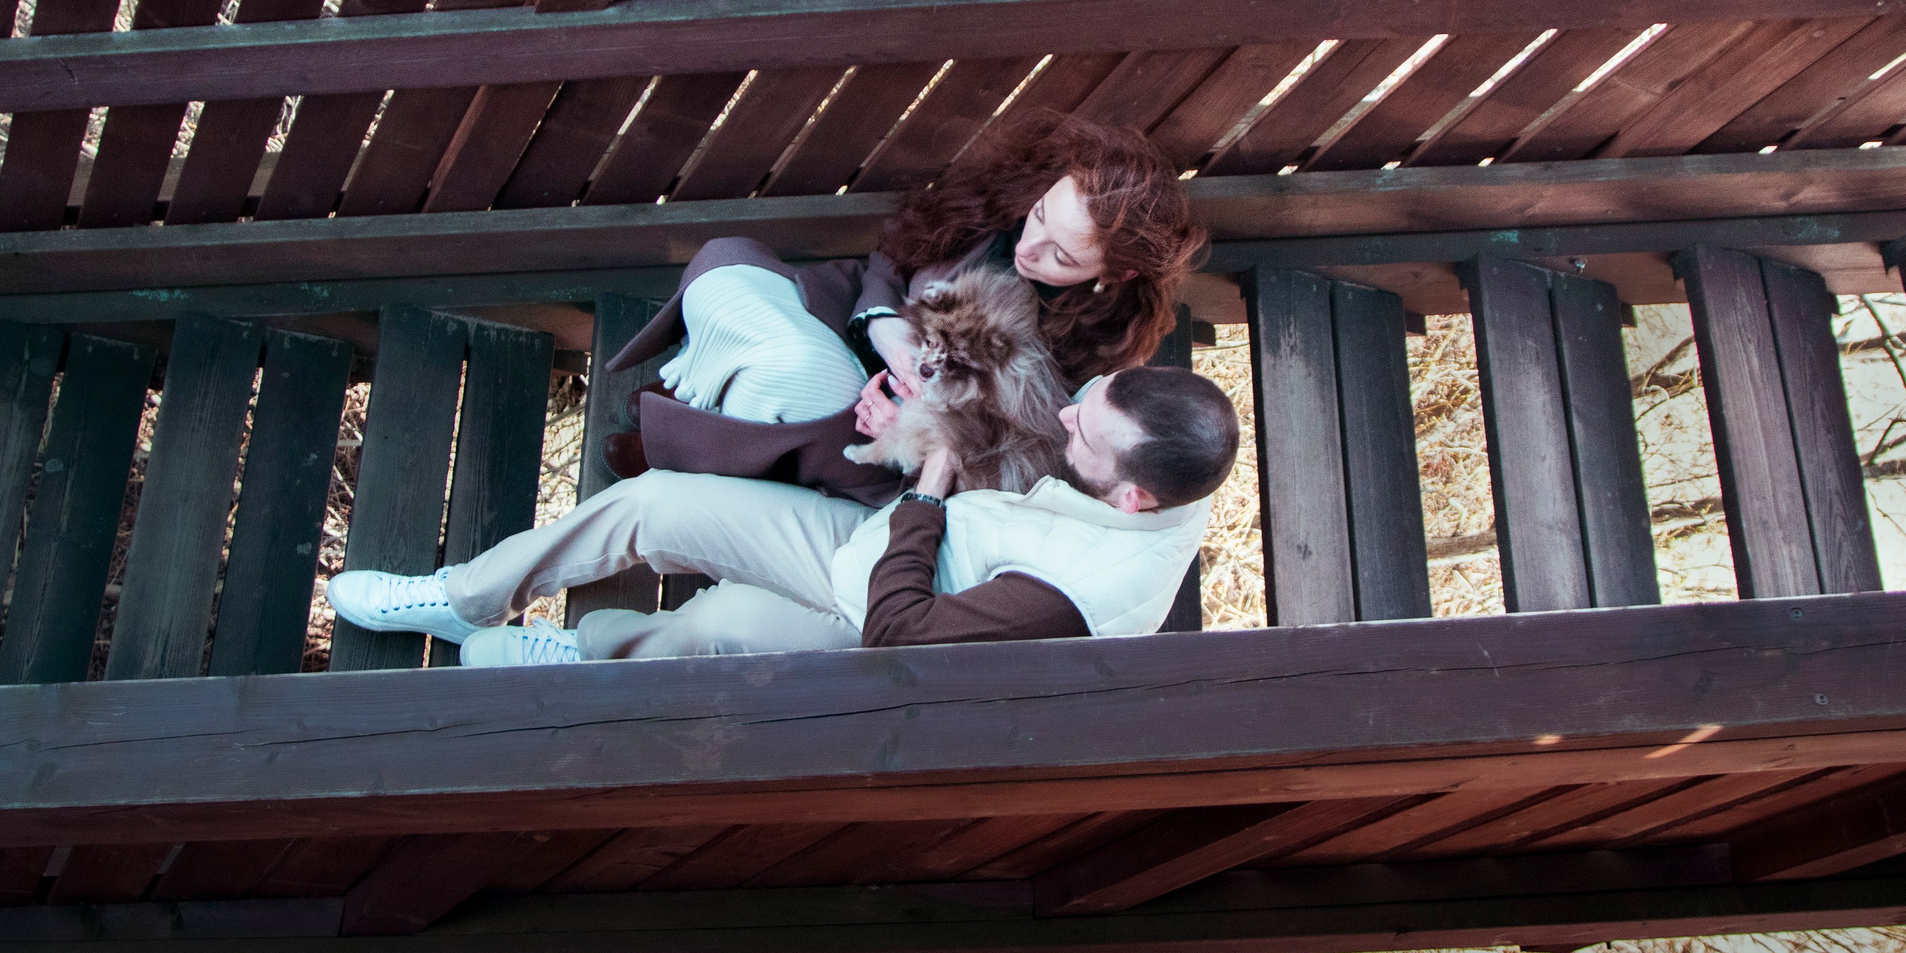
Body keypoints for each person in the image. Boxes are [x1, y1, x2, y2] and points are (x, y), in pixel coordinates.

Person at [324, 365, 1240, 662]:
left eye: (1087, 426)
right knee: (652, 502)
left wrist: (929, 486)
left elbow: (900, 629)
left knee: (714, 624)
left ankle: (578, 653)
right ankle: (467, 598)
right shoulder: (1160, 457)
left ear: (1134, 498)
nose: (1070, 414)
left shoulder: (1087, 596)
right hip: (888, 544)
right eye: (1090, 394)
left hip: (882, 618)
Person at [594, 115, 1205, 503]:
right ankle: (725, 392)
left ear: (1115, 273)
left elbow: (1027, 458)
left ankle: (691, 436)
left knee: (805, 378)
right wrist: (884, 327)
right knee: (728, 263)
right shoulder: (1015, 193)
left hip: (894, 420)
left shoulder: (1105, 352)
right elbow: (896, 253)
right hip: (859, 316)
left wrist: (919, 427)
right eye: (1040, 216)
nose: (1028, 248)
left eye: (1062, 258)